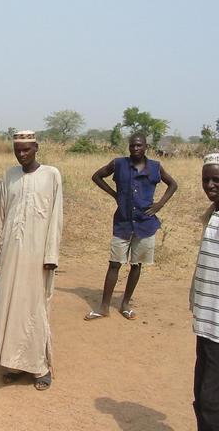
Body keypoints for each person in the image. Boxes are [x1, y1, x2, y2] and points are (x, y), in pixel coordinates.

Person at [0, 130, 63, 391]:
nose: (22, 154)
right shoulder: (10, 175)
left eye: (26, 149)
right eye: (18, 150)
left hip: (38, 254)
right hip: (11, 250)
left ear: (36, 148)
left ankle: (39, 366)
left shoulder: (51, 175)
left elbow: (56, 216)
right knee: (8, 306)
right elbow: (1, 212)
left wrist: (51, 254)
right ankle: (13, 364)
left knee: (35, 308)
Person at [85, 133, 178, 321]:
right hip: (123, 222)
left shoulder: (155, 167)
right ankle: (104, 307)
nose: (135, 149)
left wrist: (159, 204)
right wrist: (114, 194)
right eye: (132, 146)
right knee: (114, 263)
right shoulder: (119, 164)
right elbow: (97, 176)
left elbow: (173, 184)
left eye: (139, 146)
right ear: (129, 147)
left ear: (146, 146)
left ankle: (125, 303)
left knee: (136, 265)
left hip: (145, 224)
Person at [192, 153, 219, 430]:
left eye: (216, 180)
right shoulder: (212, 215)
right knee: (201, 395)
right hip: (206, 321)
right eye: (206, 179)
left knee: (210, 400)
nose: (210, 185)